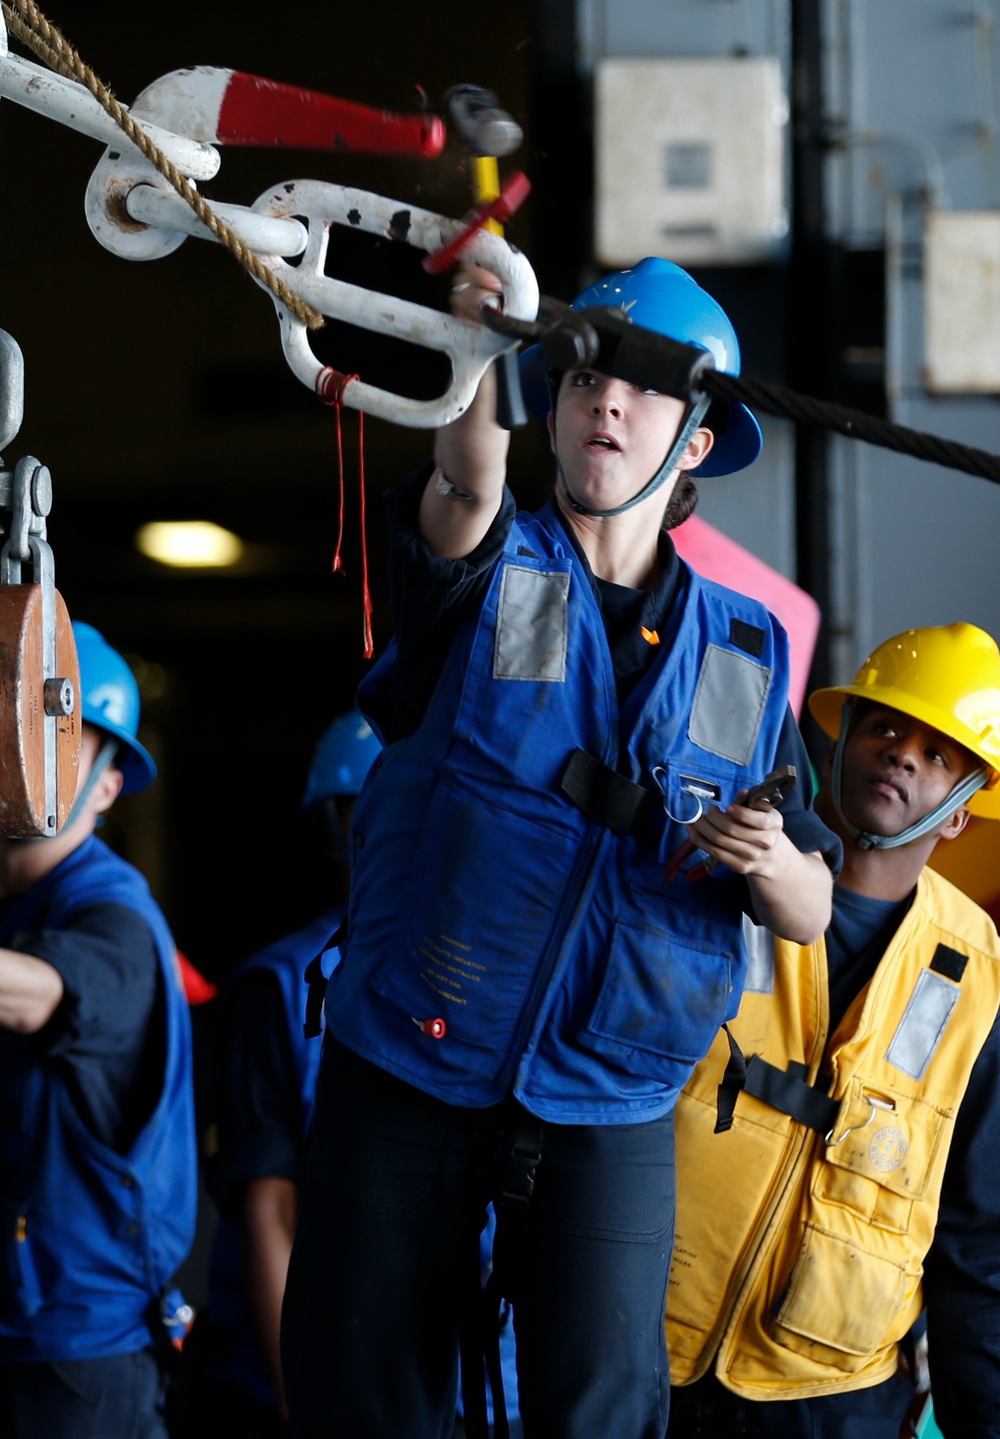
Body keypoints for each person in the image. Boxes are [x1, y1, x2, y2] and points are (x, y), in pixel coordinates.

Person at [282, 256, 839, 1439]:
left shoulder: (743, 657)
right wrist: (475, 349)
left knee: (599, 1414)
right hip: (409, 1071)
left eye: (643, 391)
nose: (609, 405)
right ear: (552, 397)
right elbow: (463, 479)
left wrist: (768, 860)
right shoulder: (483, 569)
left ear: (694, 443)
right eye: (586, 376)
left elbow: (807, 905)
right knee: (362, 1405)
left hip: (611, 1099)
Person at [665, 621, 1000, 1439]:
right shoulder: (721, 874)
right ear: (839, 738)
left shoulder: (980, 975)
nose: (903, 755)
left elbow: (979, 1236)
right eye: (885, 727)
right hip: (647, 1355)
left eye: (939, 753)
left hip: (832, 1397)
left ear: (961, 814)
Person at [0, 621, 196, 1438]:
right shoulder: (18, 907)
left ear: (110, 788)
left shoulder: (112, 916)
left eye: (59, 740)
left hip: (78, 1359)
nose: (21, 754)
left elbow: (35, 993)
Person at [193, 710, 380, 1436]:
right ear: (337, 828)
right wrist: (301, 1410)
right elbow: (270, 1210)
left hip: (470, 1379)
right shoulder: (281, 987)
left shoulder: (498, 981)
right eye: (370, 811)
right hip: (313, 1375)